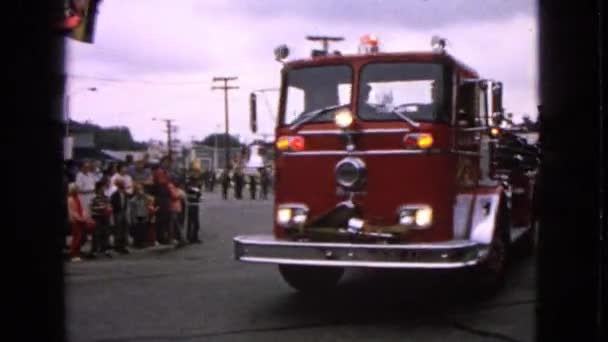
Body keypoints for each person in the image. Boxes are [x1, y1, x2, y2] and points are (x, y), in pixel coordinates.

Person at [67, 183, 94, 262]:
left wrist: (85, 217)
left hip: (80, 220)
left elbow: (81, 209)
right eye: (77, 189)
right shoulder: (71, 199)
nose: (78, 190)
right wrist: (81, 219)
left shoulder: (77, 198)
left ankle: (77, 253)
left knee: (81, 238)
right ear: (73, 190)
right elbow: (73, 212)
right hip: (75, 221)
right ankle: (73, 255)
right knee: (76, 238)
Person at [89, 181, 113, 258]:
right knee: (96, 234)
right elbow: (91, 208)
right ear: (98, 189)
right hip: (97, 217)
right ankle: (94, 250)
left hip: (105, 217)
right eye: (102, 187)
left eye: (104, 188)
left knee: (105, 233)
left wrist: (109, 208)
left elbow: (109, 205)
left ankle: (104, 249)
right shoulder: (93, 197)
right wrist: (100, 208)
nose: (103, 189)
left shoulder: (106, 197)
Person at [153, 156, 172, 244]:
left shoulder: (166, 172)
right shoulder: (160, 172)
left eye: (169, 162)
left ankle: (164, 237)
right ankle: (159, 237)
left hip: (166, 196)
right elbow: (162, 183)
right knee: (160, 218)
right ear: (162, 162)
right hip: (160, 196)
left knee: (166, 218)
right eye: (166, 162)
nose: (168, 164)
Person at [110, 179, 130, 254]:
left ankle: (123, 246)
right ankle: (117, 246)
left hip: (124, 212)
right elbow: (112, 204)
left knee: (124, 229)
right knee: (118, 230)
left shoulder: (125, 194)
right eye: (122, 185)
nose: (123, 186)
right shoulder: (114, 195)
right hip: (118, 212)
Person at [185, 166, 204, 243]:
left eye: (197, 172)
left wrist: (199, 194)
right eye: (195, 172)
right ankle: (189, 237)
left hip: (196, 203)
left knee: (196, 222)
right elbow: (188, 190)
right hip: (190, 203)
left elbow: (199, 192)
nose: (196, 174)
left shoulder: (197, 182)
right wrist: (196, 191)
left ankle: (194, 237)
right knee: (191, 222)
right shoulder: (189, 181)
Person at [129, 183, 149, 248]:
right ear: (136, 191)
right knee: (137, 231)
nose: (140, 191)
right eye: (138, 189)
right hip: (137, 216)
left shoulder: (144, 198)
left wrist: (147, 215)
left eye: (141, 189)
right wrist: (133, 219)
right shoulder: (133, 200)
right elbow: (132, 211)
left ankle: (143, 242)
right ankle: (137, 243)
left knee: (143, 230)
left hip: (143, 215)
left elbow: (146, 206)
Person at [168, 182, 186, 248]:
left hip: (175, 208)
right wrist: (180, 196)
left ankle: (179, 238)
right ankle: (179, 238)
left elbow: (175, 196)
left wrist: (179, 196)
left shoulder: (173, 187)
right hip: (174, 208)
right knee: (175, 224)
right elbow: (175, 196)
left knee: (175, 224)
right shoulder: (172, 187)